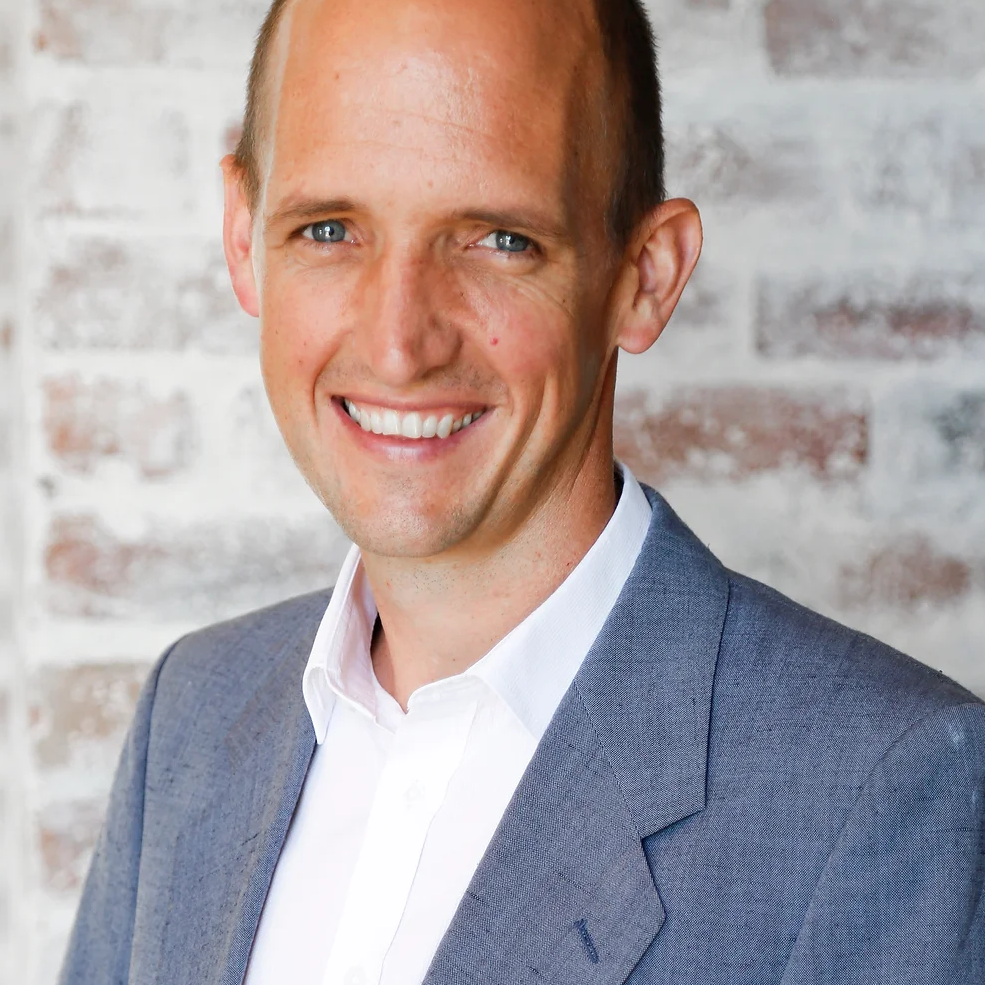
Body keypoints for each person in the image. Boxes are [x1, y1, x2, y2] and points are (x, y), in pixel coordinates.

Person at [59, 0, 985, 982]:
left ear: (645, 276)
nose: (398, 345)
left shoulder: (884, 791)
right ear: (244, 238)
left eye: (498, 240)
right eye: (329, 229)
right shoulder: (192, 715)